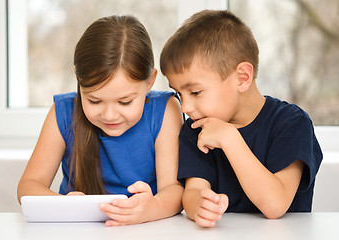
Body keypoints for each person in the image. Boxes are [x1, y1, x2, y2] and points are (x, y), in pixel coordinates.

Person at [160, 10, 322, 228]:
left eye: (196, 92)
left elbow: (275, 205)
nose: (186, 107)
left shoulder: (291, 123)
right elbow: (194, 190)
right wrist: (200, 205)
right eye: (179, 94)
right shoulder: (195, 129)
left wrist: (230, 138)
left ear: (242, 78)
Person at [17, 15, 184, 226]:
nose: (109, 115)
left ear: (150, 81)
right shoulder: (63, 112)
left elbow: (175, 190)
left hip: (145, 231)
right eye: (95, 101)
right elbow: (28, 186)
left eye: (125, 102)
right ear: (79, 83)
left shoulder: (166, 110)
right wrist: (62, 204)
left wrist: (150, 209)